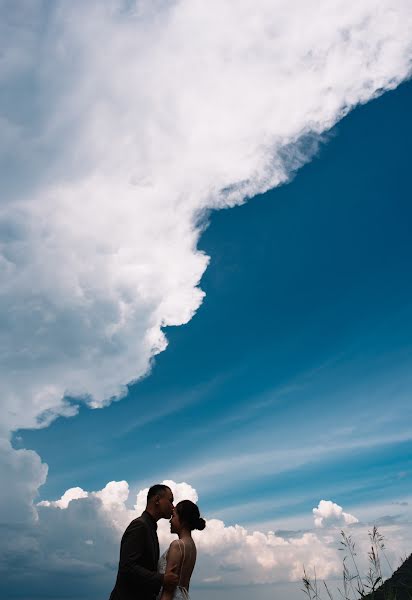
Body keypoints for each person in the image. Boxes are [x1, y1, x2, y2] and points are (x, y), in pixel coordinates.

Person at [109, 484, 178, 600]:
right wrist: (162, 579)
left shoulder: (149, 527)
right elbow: (127, 567)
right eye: (170, 501)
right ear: (157, 500)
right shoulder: (140, 526)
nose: (173, 506)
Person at [158, 500, 206, 600]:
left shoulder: (177, 545)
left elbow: (168, 589)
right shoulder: (192, 546)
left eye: (173, 516)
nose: (170, 520)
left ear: (183, 520)